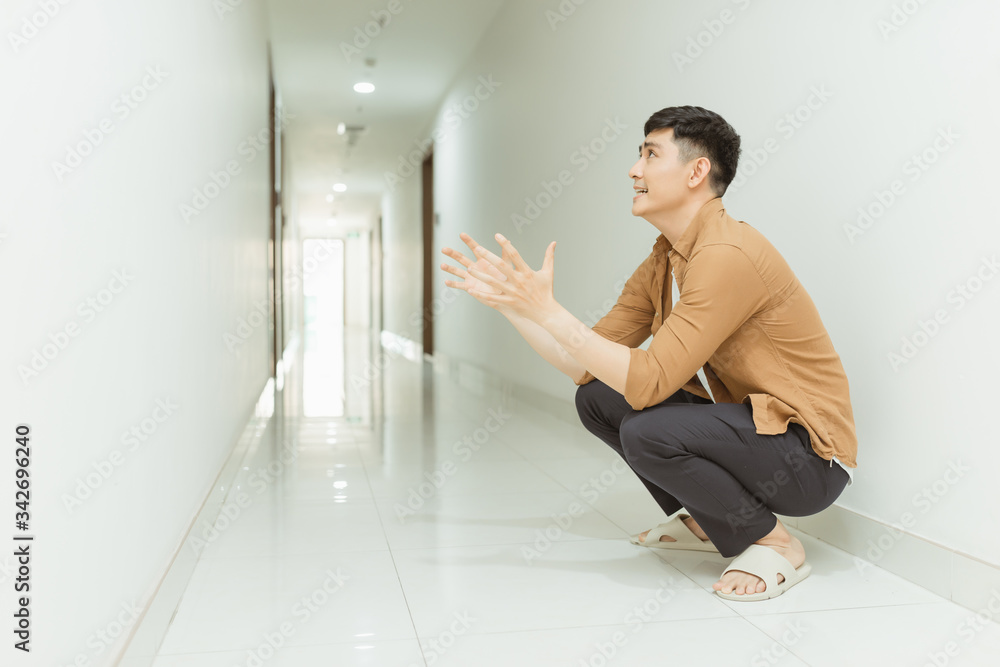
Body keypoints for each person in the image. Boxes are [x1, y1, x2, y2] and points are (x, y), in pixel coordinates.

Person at [439, 105, 856, 601]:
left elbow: (650, 381)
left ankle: (775, 543)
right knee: (597, 398)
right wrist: (518, 309)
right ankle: (708, 521)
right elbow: (585, 362)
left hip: (810, 461)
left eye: (650, 155)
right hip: (758, 433)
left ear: (697, 171)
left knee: (646, 429)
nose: (634, 170)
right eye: (638, 155)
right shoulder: (667, 254)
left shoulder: (727, 255)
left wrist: (548, 311)